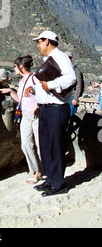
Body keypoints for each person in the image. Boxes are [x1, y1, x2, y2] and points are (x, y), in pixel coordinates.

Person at [26, 30, 76, 197]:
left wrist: (52, 85)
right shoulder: (49, 60)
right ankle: (50, 179)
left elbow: (71, 78)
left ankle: (59, 182)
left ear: (47, 41)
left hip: (56, 108)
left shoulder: (60, 57)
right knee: (46, 145)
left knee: (55, 145)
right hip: (46, 108)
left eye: (39, 42)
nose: (38, 46)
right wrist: (35, 89)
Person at [0, 55, 42, 184]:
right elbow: (20, 100)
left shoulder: (34, 78)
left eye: (15, 66)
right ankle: (35, 170)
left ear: (21, 66)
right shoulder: (22, 81)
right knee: (25, 144)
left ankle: (42, 170)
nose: (14, 69)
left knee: (40, 144)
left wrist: (36, 105)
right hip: (25, 115)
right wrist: (10, 91)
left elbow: (43, 93)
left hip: (36, 115)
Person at [66, 51, 84, 116]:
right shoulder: (66, 69)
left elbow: (79, 85)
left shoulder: (75, 70)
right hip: (65, 97)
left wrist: (75, 98)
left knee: (71, 117)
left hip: (72, 97)